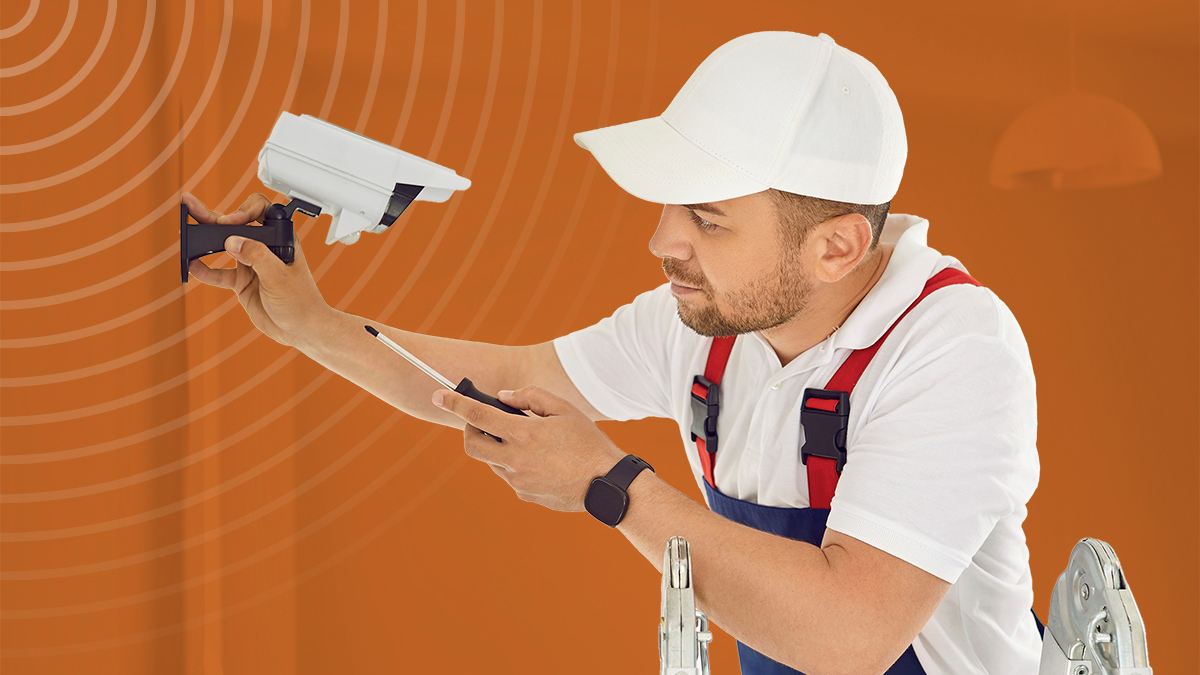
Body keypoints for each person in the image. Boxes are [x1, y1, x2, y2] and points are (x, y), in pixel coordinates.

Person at [185, 32, 1041, 675]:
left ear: (838, 249)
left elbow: (850, 633)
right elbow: (510, 385)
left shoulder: (952, 349)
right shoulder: (704, 326)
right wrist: (316, 325)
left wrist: (611, 484)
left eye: (707, 220)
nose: (662, 241)